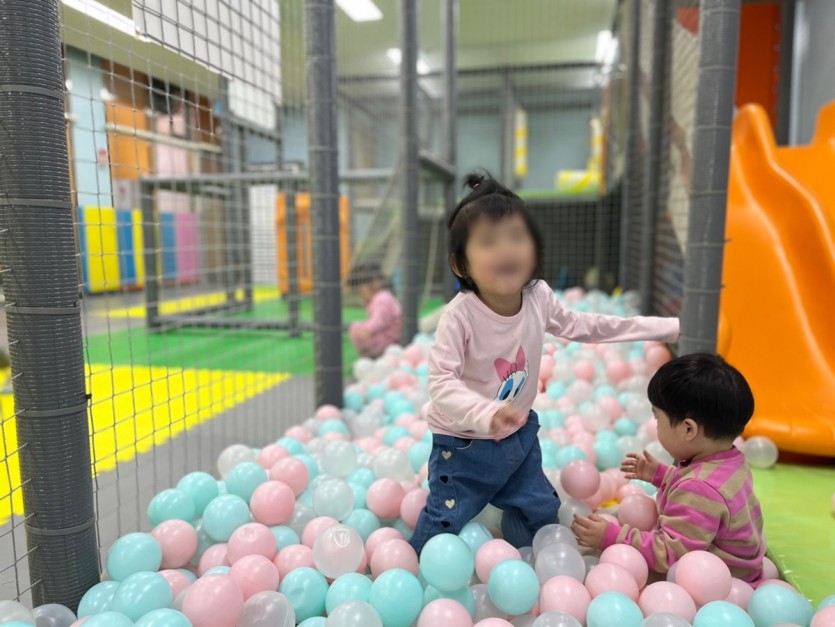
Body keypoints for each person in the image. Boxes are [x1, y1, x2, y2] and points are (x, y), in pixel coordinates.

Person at [408, 172, 680, 553]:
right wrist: (487, 413)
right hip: (464, 447)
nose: (506, 250)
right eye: (489, 242)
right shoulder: (460, 317)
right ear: (461, 265)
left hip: (518, 441)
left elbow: (585, 325)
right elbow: (441, 383)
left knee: (542, 518)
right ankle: (414, 566)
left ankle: (524, 556)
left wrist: (661, 327)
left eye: (516, 237)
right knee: (442, 528)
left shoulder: (538, 297)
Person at [572, 353, 765, 584]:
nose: (656, 425)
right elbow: (704, 494)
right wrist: (661, 474)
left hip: (721, 583)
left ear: (688, 430)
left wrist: (611, 537)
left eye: (658, 419)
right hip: (743, 568)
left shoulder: (698, 490)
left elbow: (670, 554)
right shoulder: (731, 461)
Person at [347, 263, 402, 359]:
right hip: (388, 338)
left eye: (360, 290)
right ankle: (371, 357)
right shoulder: (382, 297)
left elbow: (378, 320)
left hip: (389, 340)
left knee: (355, 328)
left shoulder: (382, 298)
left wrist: (366, 330)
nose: (360, 294)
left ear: (375, 283)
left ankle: (373, 357)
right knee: (357, 328)